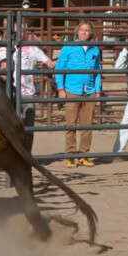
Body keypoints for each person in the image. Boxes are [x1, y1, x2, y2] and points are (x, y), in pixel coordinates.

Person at [0, 22, 55, 152]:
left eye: (21, 31)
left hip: (27, 93)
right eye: (15, 31)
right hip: (8, 92)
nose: (18, 34)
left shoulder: (32, 49)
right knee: (9, 126)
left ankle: (27, 155)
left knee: (28, 127)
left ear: (25, 32)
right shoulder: (2, 50)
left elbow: (49, 63)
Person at [55, 21, 102, 168]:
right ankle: (70, 155)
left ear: (91, 33)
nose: (84, 32)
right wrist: (61, 89)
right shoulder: (68, 48)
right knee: (71, 124)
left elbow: (97, 72)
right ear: (77, 32)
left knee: (87, 125)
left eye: (87, 30)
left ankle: (84, 155)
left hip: (89, 91)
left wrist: (98, 91)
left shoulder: (95, 50)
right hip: (72, 90)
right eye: (82, 30)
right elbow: (59, 69)